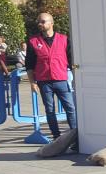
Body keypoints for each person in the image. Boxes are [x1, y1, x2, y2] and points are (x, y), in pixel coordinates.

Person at [26, 12, 77, 140]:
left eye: (43, 21)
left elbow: (72, 61)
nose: (40, 24)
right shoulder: (33, 41)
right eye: (39, 22)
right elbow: (29, 64)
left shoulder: (64, 39)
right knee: (49, 110)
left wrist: (76, 78)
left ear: (51, 23)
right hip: (44, 82)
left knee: (70, 108)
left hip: (61, 79)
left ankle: (75, 136)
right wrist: (32, 82)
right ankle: (56, 137)